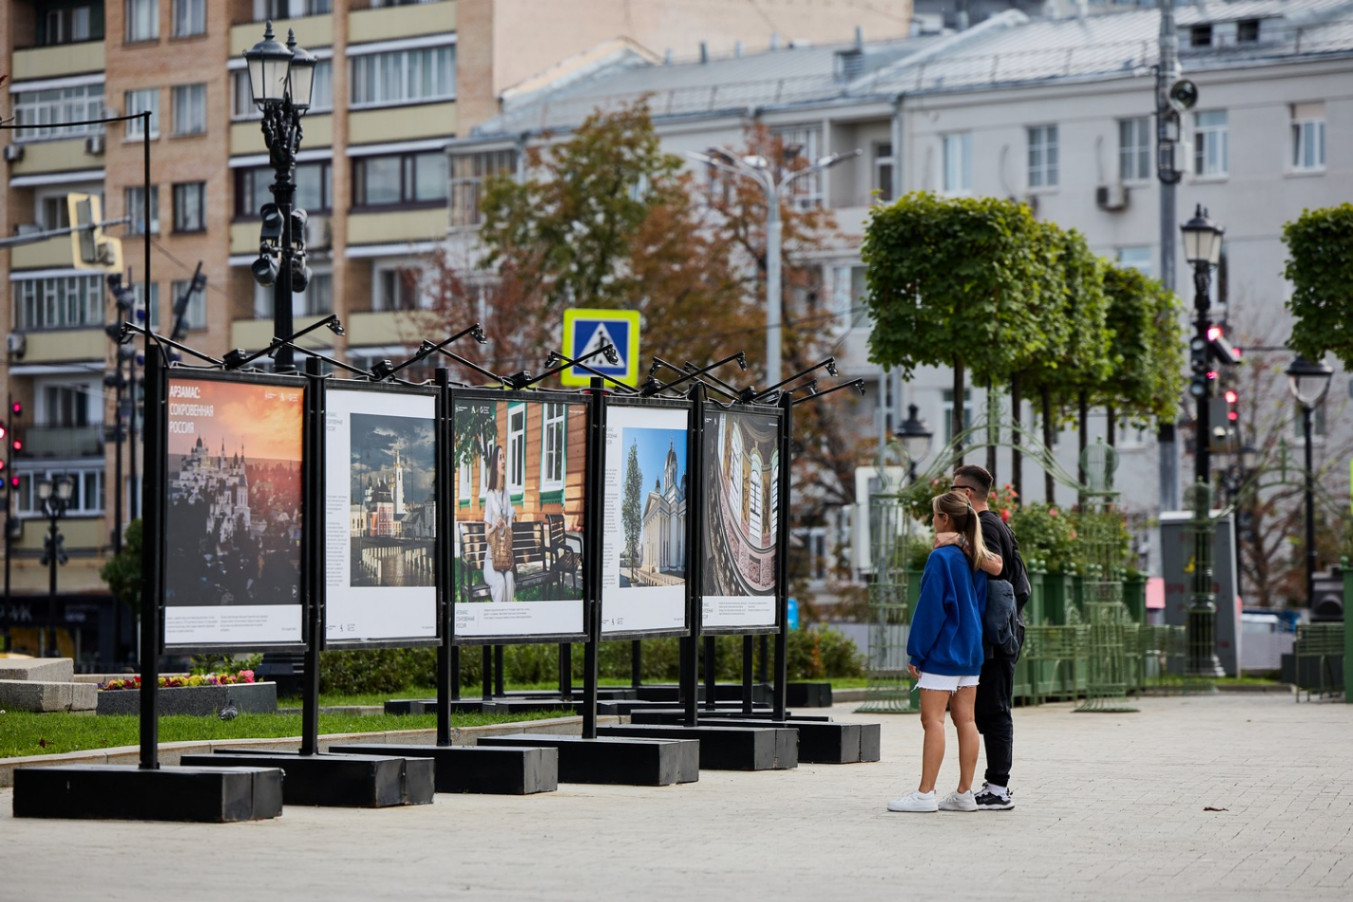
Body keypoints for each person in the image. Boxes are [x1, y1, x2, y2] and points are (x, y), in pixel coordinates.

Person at [888, 490, 991, 813]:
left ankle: (925, 794)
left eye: (934, 515)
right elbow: (981, 603)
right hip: (971, 650)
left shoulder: (940, 558)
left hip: (943, 652)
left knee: (932, 720)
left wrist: (916, 653)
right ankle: (964, 793)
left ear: (945, 519)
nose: (932, 520)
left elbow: (931, 611)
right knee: (967, 721)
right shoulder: (974, 556)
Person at [952, 464, 1028, 811]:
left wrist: (957, 541)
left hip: (996, 638)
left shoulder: (984, 525)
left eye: (955, 490)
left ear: (967, 494)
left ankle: (998, 787)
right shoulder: (994, 523)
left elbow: (995, 566)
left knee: (995, 711)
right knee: (988, 710)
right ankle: (993, 783)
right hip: (999, 634)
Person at [483, 445, 517, 603]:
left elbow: (509, 532)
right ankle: (496, 622)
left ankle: (508, 622)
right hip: (491, 560)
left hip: (505, 558)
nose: (504, 461)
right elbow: (486, 536)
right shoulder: (489, 496)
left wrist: (508, 522)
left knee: (509, 578)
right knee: (500, 583)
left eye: (504, 457)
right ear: (495, 465)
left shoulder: (507, 494)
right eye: (500, 458)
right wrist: (496, 526)